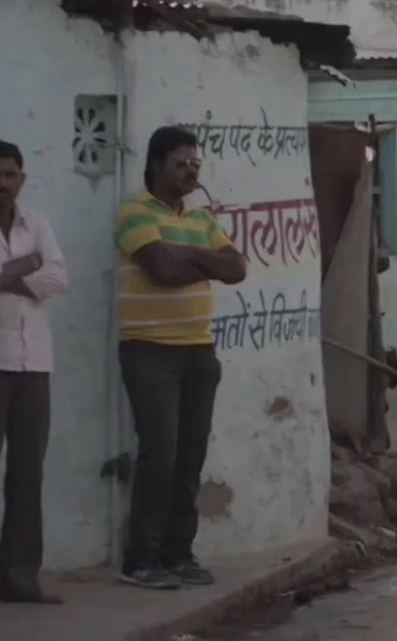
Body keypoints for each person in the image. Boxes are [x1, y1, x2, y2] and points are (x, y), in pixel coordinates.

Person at [114, 126, 247, 590]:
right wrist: (200, 259)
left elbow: (237, 268)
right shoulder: (133, 210)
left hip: (198, 349)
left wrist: (187, 252)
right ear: (155, 165)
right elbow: (161, 269)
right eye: (180, 164)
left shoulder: (200, 216)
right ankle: (141, 560)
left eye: (195, 164)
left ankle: (178, 554)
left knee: (191, 455)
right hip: (150, 350)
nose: (191, 171)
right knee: (161, 454)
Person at [0, 141, 68, 604]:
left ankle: (20, 577)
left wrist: (4, 275)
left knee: (28, 474)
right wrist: (25, 266)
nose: (2, 183)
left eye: (10, 175)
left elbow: (58, 279)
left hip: (35, 366)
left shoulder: (39, 224)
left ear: (22, 180)